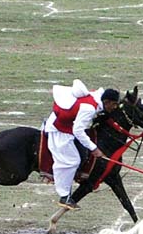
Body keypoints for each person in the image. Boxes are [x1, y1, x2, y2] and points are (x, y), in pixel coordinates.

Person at [43, 79, 115, 209]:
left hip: (67, 126)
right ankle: (64, 196)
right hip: (60, 130)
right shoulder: (89, 108)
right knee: (71, 161)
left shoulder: (97, 97)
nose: (114, 108)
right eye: (113, 105)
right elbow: (78, 131)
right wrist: (94, 148)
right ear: (106, 102)